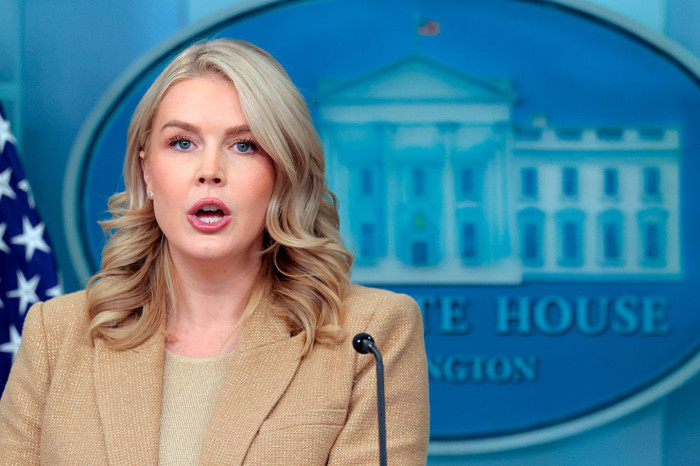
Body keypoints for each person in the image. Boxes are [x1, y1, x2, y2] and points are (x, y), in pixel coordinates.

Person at [0, 39, 429, 464]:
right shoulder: (55, 334)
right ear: (147, 170)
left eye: (244, 145)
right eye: (182, 143)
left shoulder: (371, 335)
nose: (210, 171)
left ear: (284, 172)